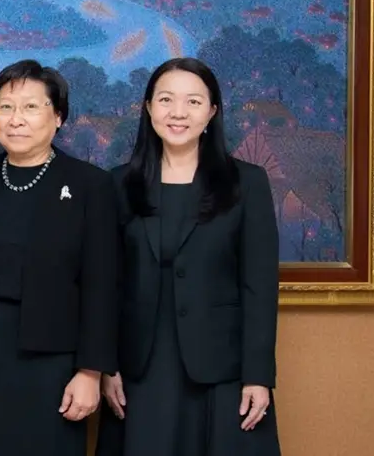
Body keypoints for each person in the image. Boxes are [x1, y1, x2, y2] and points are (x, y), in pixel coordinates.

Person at [0, 59, 119, 455]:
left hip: (52, 359)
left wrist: (90, 371)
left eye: (31, 107)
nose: (16, 119)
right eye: (5, 106)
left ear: (58, 116)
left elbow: (102, 285)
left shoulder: (90, 185)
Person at [96, 57, 282, 456]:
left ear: (212, 111)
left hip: (222, 369)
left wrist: (258, 375)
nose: (178, 113)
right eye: (166, 100)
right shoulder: (118, 184)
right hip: (139, 368)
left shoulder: (247, 182)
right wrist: (105, 365)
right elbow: (106, 285)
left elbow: (259, 287)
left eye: (193, 102)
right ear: (148, 108)